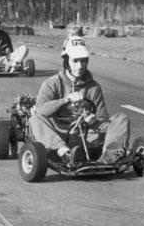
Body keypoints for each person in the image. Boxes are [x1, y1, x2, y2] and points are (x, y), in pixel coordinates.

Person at [29, 36, 129, 164]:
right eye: (76, 61)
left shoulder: (94, 87)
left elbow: (103, 118)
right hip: (59, 133)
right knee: (35, 119)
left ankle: (109, 155)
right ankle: (65, 153)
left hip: (86, 134)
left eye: (84, 61)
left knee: (121, 119)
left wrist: (93, 120)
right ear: (66, 61)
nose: (81, 66)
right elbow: (41, 111)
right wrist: (65, 100)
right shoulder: (52, 84)